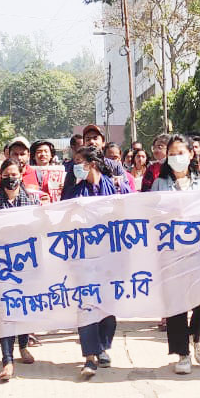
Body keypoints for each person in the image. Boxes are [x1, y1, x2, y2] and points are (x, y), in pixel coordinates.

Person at [151, 134, 200, 374]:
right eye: (172, 153)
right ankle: (182, 353)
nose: (176, 157)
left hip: (199, 248)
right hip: (171, 250)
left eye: (181, 152)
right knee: (176, 302)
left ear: (191, 154)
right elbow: (151, 213)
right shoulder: (160, 183)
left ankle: (197, 335)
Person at [62, 146, 121, 378]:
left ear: (92, 163)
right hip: (83, 255)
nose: (75, 165)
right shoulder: (74, 191)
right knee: (86, 303)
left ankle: (104, 346)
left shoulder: (115, 186)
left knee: (108, 303)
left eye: (79, 161)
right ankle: (89, 356)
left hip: (110, 253)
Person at [0, 159, 41, 381]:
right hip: (2, 264)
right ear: (1, 177)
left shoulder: (30, 202)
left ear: (21, 176)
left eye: (14, 174)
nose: (11, 178)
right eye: (6, 175)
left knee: (23, 306)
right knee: (5, 310)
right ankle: (7, 360)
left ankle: (24, 346)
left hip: (25, 262)